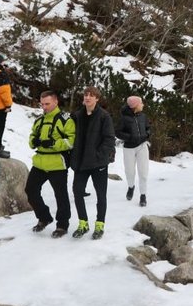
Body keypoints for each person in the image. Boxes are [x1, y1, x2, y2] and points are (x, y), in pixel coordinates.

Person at [25, 91, 75, 238]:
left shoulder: (66, 119)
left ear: (55, 102)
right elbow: (32, 136)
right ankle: (44, 217)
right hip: (40, 163)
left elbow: (71, 141)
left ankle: (62, 225)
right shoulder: (39, 120)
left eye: (47, 104)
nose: (44, 107)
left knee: (61, 196)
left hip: (57, 164)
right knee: (30, 191)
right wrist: (33, 141)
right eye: (42, 104)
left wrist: (53, 143)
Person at [70, 87, 115, 239]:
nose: (88, 97)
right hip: (81, 163)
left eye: (91, 95)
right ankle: (83, 223)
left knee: (101, 195)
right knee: (77, 191)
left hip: (98, 164)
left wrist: (99, 155)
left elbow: (109, 139)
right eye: (86, 95)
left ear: (97, 99)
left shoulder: (104, 116)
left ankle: (99, 225)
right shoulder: (77, 115)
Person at [117, 95, 151, 207]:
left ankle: (143, 195)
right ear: (135, 106)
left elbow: (148, 127)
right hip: (129, 148)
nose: (143, 105)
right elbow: (118, 132)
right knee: (129, 172)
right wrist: (130, 137)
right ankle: (131, 187)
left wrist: (148, 134)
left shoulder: (143, 116)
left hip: (142, 146)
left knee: (143, 173)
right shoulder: (124, 118)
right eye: (141, 103)